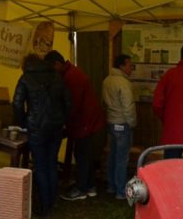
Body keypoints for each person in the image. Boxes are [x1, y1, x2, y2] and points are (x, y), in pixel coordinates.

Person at [13, 53, 71, 216]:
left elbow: (17, 103)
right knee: (51, 163)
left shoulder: (25, 78)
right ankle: (53, 202)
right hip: (56, 127)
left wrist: (23, 122)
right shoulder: (56, 76)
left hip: (37, 128)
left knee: (40, 166)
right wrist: (62, 119)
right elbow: (68, 101)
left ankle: (45, 206)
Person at [44, 50, 105, 201]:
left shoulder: (72, 77)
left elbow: (73, 105)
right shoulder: (71, 73)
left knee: (81, 155)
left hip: (84, 121)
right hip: (88, 120)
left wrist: (63, 121)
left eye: (52, 68)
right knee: (85, 154)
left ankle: (82, 189)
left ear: (57, 64)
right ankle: (90, 186)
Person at [102, 54, 136, 200]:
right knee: (122, 158)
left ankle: (111, 186)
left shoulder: (107, 80)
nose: (131, 68)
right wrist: (132, 123)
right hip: (122, 123)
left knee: (112, 155)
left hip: (111, 122)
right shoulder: (123, 83)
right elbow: (128, 106)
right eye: (129, 65)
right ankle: (121, 191)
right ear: (121, 66)